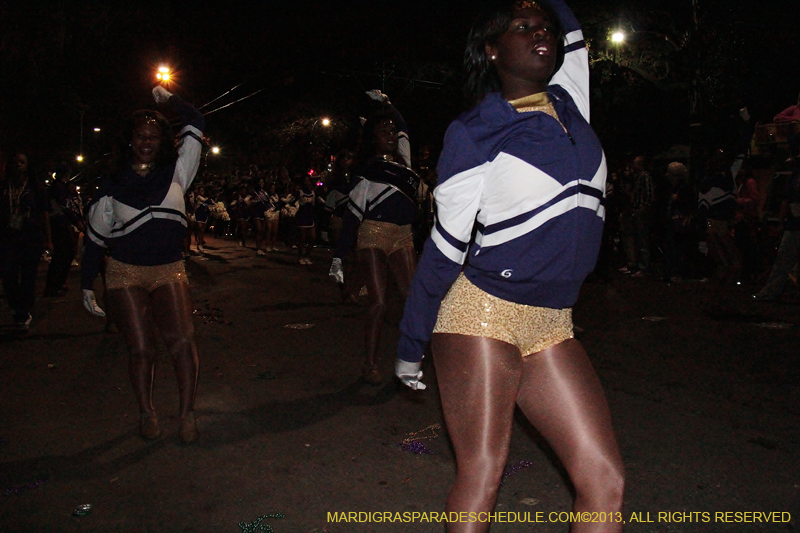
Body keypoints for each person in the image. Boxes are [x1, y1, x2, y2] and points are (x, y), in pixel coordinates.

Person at [395, 1, 624, 530]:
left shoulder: (573, 105)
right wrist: (411, 344)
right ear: (492, 50)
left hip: (553, 321)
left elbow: (571, 29)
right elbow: (445, 249)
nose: (540, 31)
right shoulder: (474, 131)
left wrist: (553, 12)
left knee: (605, 481)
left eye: (543, 26)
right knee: (483, 474)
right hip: (481, 314)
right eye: (523, 27)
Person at [80, 86, 203, 443]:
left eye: (153, 136)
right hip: (125, 273)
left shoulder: (179, 170)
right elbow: (95, 240)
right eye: (140, 136)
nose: (147, 142)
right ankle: (146, 411)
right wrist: (87, 283)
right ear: (129, 141)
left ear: (163, 140)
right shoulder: (113, 184)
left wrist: (170, 100)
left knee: (181, 341)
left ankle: (187, 413)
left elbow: (196, 121)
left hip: (169, 270)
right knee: (142, 349)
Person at [329, 90, 419, 385]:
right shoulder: (365, 171)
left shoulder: (404, 161)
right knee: (379, 301)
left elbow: (404, 125)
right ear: (373, 138)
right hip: (372, 235)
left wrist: (388, 103)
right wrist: (339, 256)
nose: (392, 135)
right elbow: (354, 216)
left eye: (392, 131)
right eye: (384, 131)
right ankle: (370, 363)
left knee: (411, 297)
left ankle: (409, 357)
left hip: (402, 235)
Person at [1, 152, 52, 330]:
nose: (18, 165)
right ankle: (16, 306)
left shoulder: (35, 187)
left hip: (30, 236)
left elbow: (44, 212)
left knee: (29, 275)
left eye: (22, 162)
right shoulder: (4, 187)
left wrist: (48, 238)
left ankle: (24, 311)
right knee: (8, 273)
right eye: (15, 162)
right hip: (8, 237)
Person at [44, 164, 83, 296]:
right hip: (59, 224)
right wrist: (77, 222)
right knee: (63, 254)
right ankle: (54, 284)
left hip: (59, 223)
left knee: (63, 254)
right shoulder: (59, 188)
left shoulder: (58, 188)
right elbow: (65, 207)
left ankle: (56, 284)